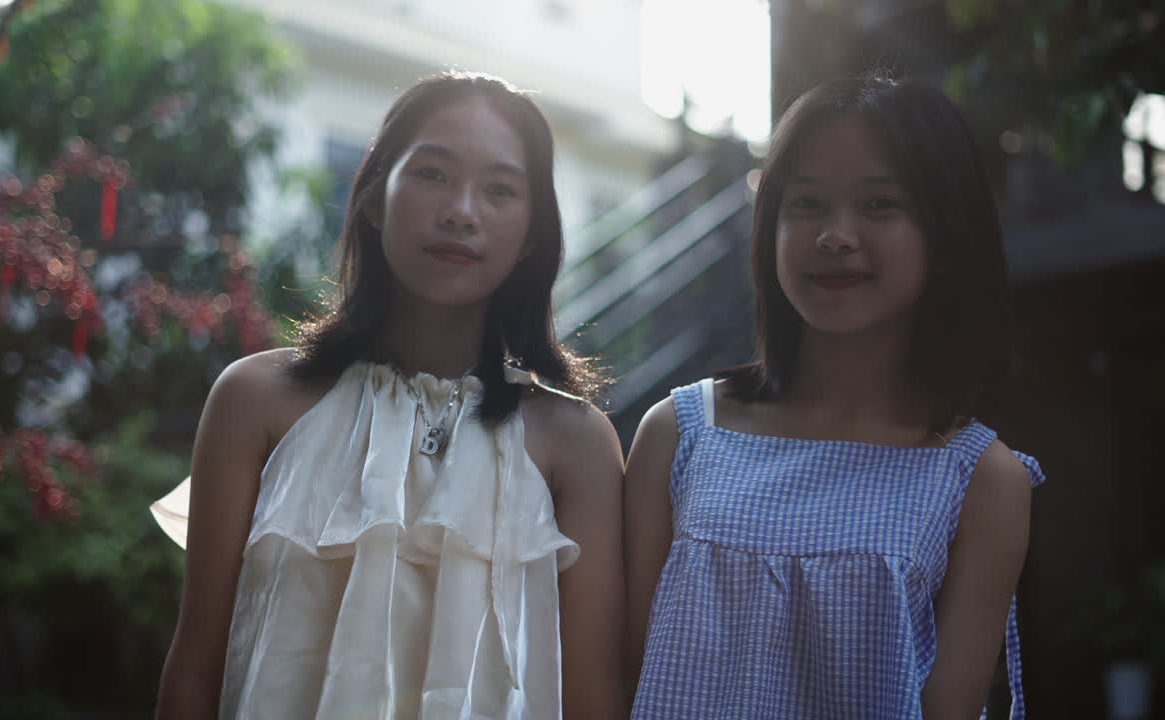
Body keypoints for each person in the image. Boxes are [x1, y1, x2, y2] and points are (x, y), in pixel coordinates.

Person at [152, 71, 627, 720]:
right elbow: (194, 669)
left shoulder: (577, 443)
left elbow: (595, 698)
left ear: (532, 236)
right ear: (374, 198)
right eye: (433, 174)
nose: (461, 210)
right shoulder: (255, 401)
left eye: (499, 189)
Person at [624, 72, 1046, 720]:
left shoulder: (982, 480)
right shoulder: (679, 434)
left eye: (879, 204)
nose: (835, 235)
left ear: (944, 233)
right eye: (806, 203)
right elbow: (618, 678)